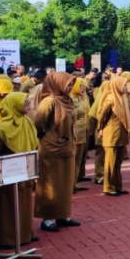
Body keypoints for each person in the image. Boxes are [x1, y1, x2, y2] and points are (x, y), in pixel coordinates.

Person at [33, 71, 80, 233]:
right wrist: (48, 138)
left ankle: (63, 214)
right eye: (68, 84)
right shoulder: (49, 102)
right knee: (50, 184)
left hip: (67, 147)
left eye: (72, 84)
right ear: (57, 83)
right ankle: (47, 218)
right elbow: (38, 124)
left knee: (65, 183)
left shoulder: (67, 100)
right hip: (51, 149)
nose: (71, 87)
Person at [0, 92, 37, 247]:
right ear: (15, 105)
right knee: (8, 205)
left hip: (25, 167)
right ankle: (7, 238)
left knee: (24, 202)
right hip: (8, 170)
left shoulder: (27, 122)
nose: (28, 106)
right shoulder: (3, 127)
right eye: (24, 103)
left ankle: (25, 233)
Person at [98, 75, 130, 196]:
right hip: (112, 133)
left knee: (118, 161)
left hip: (120, 134)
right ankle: (109, 187)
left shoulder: (121, 98)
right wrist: (100, 128)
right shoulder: (111, 99)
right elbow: (102, 116)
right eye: (124, 85)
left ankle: (117, 186)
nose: (126, 87)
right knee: (110, 162)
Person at [72, 78, 91, 189]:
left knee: (79, 159)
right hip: (75, 133)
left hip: (82, 131)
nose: (83, 88)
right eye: (80, 86)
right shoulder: (71, 99)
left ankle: (75, 182)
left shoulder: (81, 98)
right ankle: (71, 184)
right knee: (74, 159)